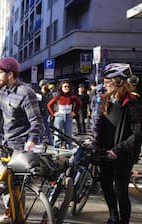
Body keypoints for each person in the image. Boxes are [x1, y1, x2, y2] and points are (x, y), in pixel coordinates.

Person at [93, 63, 142, 224]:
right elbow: (99, 126)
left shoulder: (132, 104)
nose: (105, 85)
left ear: (120, 82)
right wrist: (95, 144)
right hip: (104, 152)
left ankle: (124, 221)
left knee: (120, 191)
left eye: (109, 82)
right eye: (105, 82)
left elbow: (137, 134)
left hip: (122, 155)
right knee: (106, 187)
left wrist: (117, 150)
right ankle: (114, 216)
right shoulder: (105, 100)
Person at [47, 80, 82, 149]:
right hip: (59, 116)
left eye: (68, 86)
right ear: (61, 88)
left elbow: (79, 104)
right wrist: (53, 113)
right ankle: (56, 150)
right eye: (65, 86)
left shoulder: (72, 97)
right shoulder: (58, 96)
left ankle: (69, 149)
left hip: (68, 116)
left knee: (68, 134)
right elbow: (49, 105)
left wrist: (75, 112)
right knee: (57, 135)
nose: (67, 88)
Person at [37, 79, 54, 145]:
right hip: (40, 114)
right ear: (43, 85)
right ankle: (40, 142)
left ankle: (51, 142)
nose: (48, 86)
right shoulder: (38, 94)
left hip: (47, 114)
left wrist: (51, 113)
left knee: (48, 129)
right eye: (47, 84)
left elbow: (51, 104)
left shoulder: (50, 94)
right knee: (41, 129)